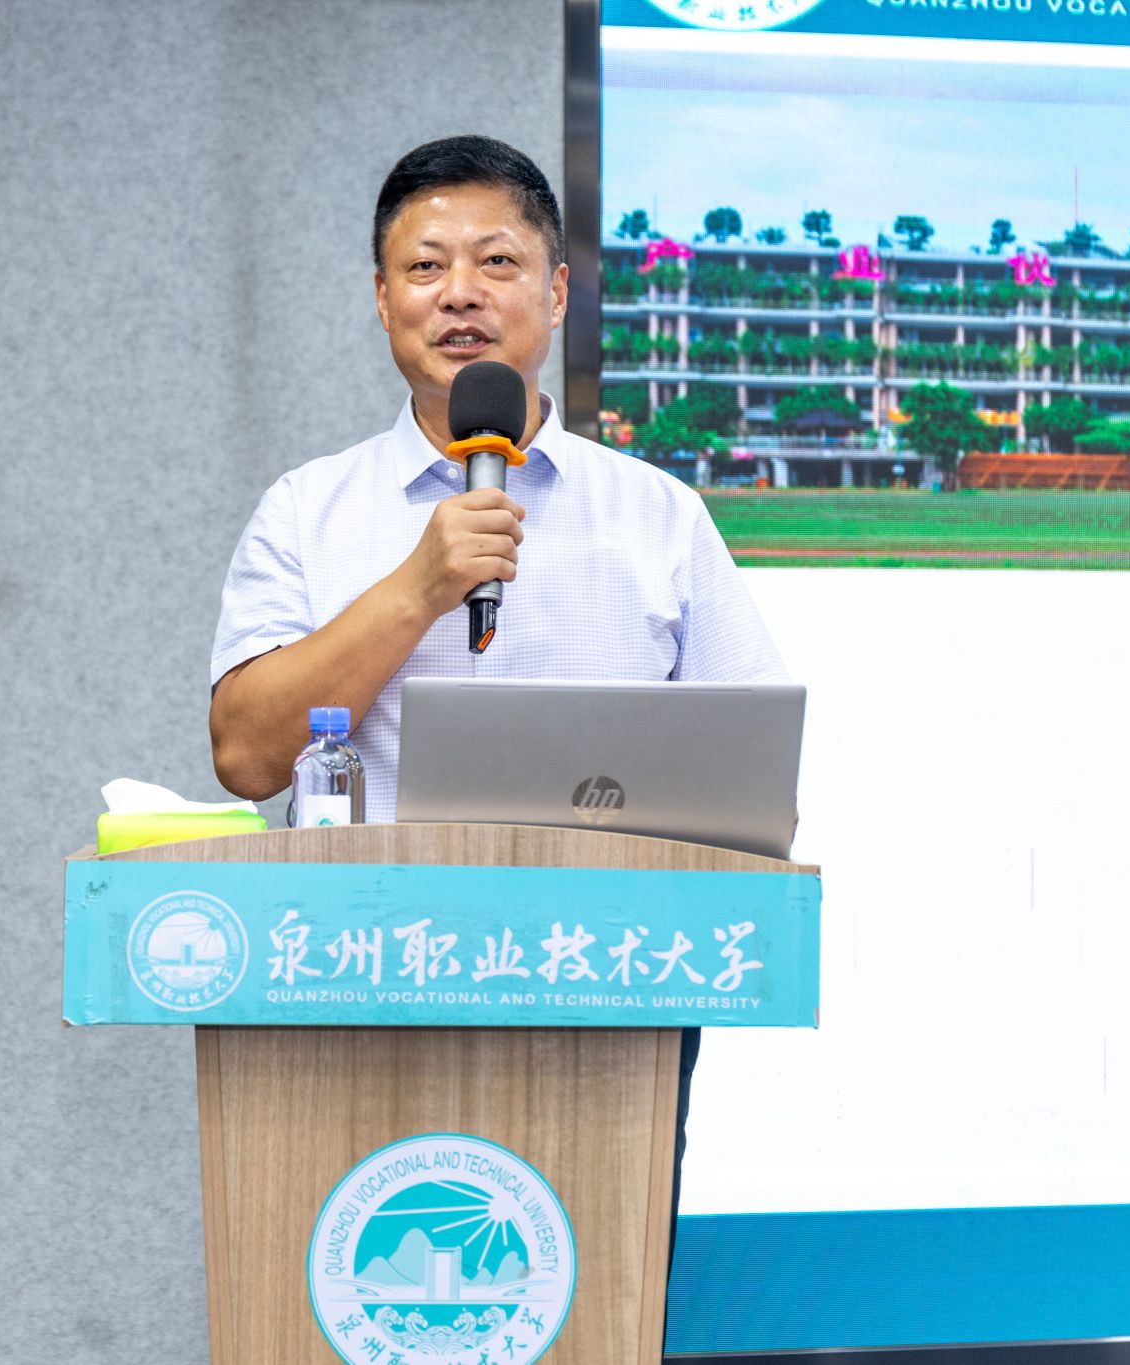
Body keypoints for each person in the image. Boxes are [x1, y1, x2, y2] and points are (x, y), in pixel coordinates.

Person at [206, 132, 789, 1283]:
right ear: (381, 300)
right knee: (371, 1290)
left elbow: (756, 780)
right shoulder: (308, 510)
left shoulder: (657, 516)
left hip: (608, 996)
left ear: (557, 292)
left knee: (590, 1296)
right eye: (424, 267)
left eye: (496, 262)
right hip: (361, 980)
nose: (459, 293)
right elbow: (246, 754)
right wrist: (419, 586)